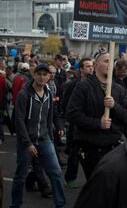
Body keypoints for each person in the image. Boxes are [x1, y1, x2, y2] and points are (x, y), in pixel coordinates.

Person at [66, 48, 127, 179]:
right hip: (91, 147)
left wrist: (114, 106)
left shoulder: (118, 89)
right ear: (96, 65)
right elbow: (72, 114)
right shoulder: (84, 86)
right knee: (97, 184)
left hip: (113, 146)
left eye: (111, 62)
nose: (110, 64)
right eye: (106, 61)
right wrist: (97, 123)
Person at [10, 64, 66, 208]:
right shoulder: (24, 94)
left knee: (56, 173)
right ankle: (15, 205)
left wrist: (57, 129)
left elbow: (51, 115)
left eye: (45, 74)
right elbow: (19, 120)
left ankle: (61, 205)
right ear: (34, 75)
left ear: (48, 76)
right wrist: (28, 143)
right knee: (20, 176)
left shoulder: (48, 93)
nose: (42, 77)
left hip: (44, 139)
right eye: (39, 74)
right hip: (26, 142)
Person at [62, 57, 94, 187]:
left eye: (92, 66)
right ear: (80, 69)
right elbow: (65, 104)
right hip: (75, 125)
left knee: (88, 153)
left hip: (89, 124)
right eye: (87, 66)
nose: (91, 68)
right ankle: (70, 179)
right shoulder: (73, 84)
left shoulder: (94, 84)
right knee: (74, 153)